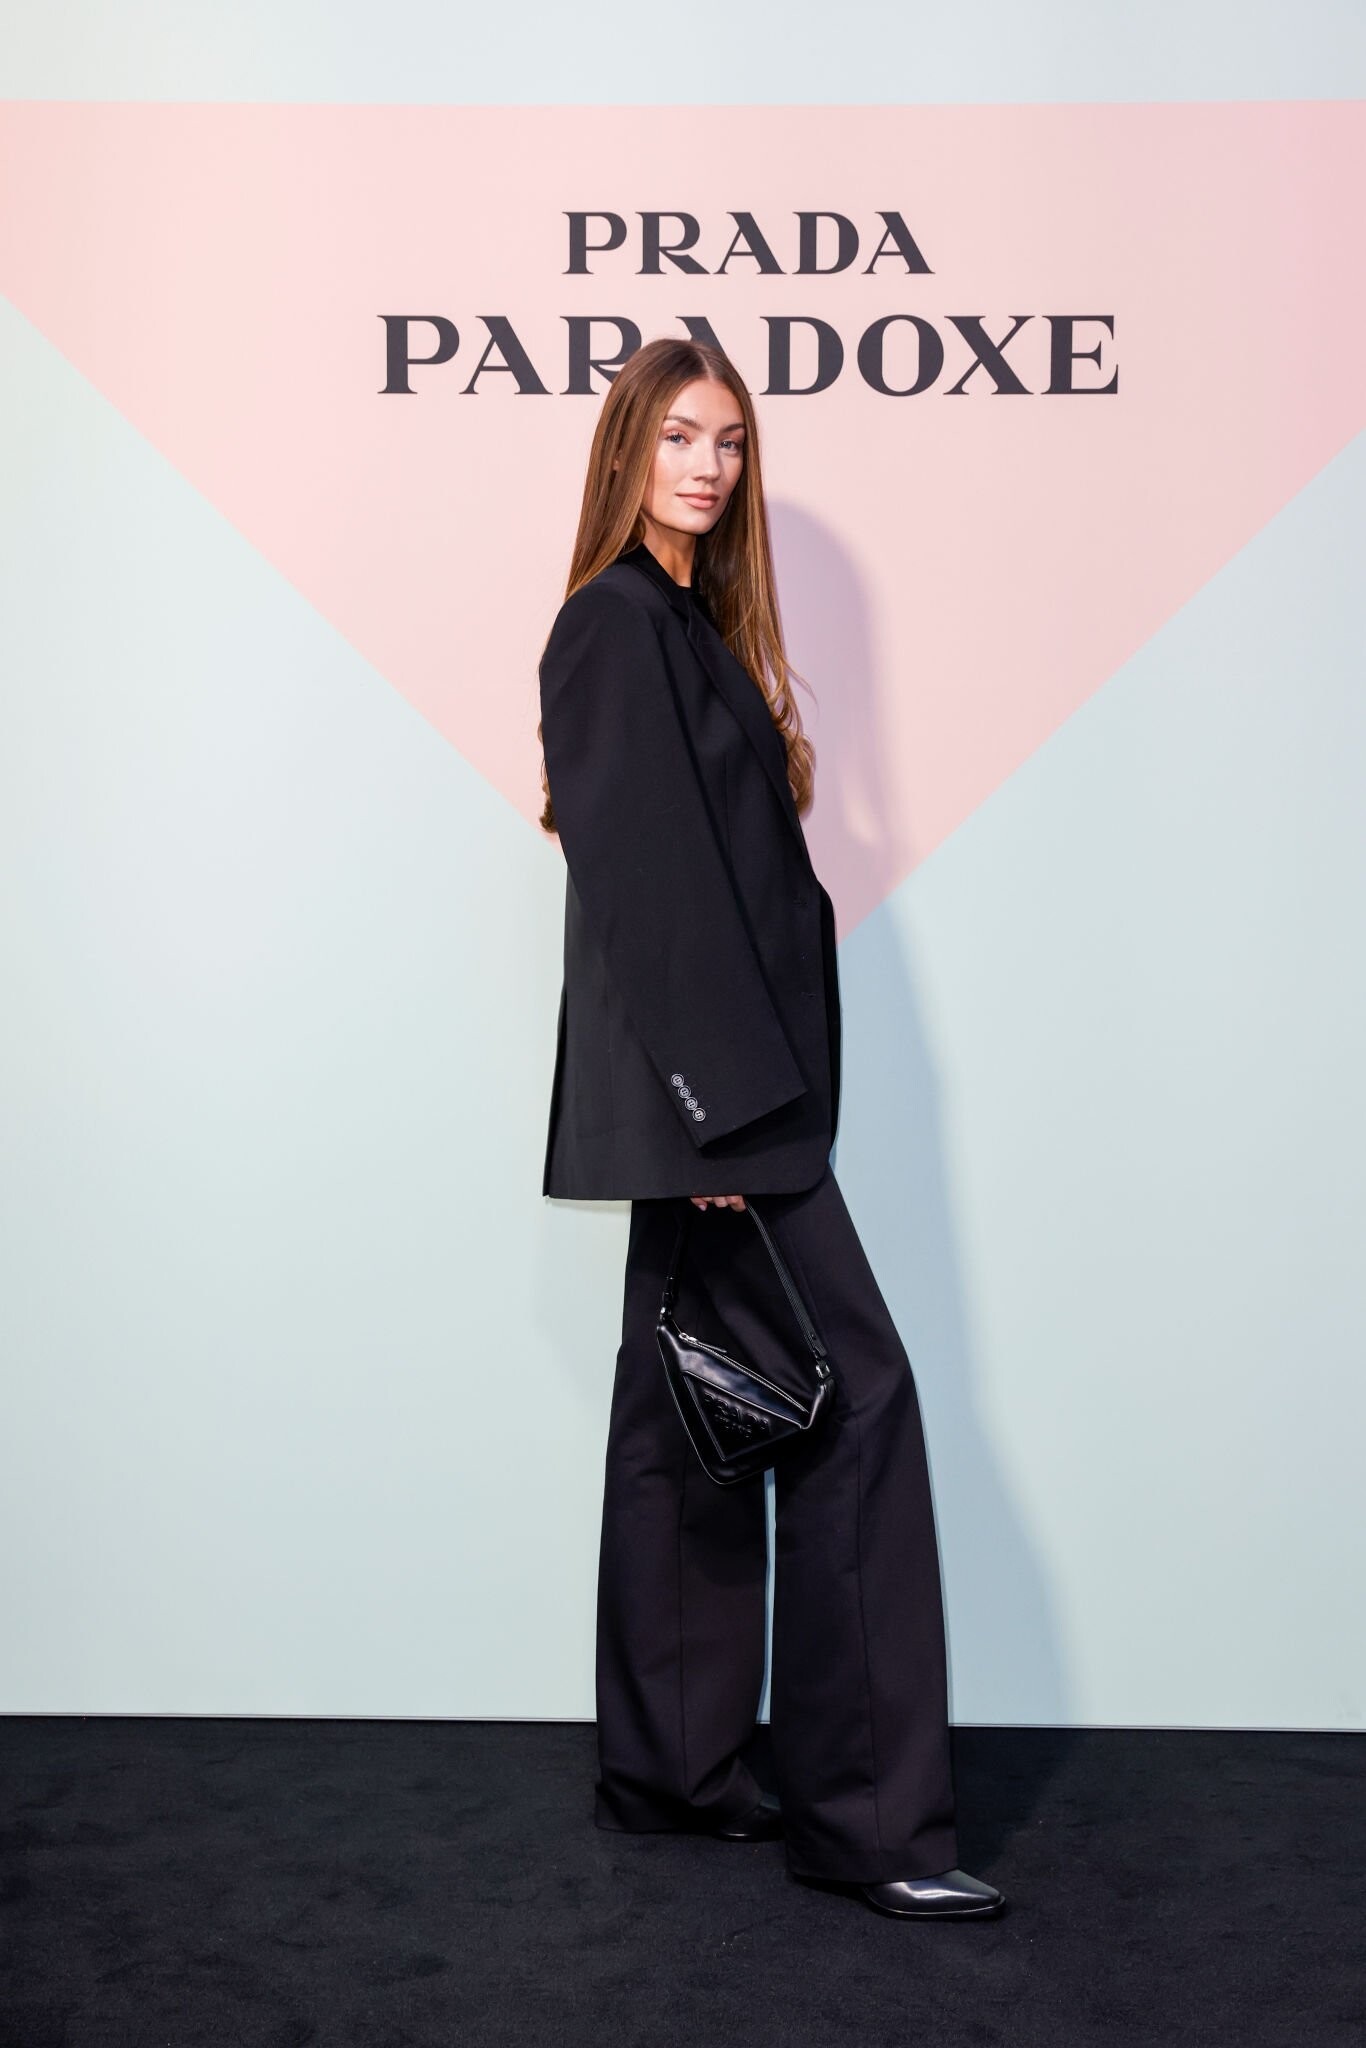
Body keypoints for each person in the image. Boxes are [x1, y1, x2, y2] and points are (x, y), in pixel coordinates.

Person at [535, 336, 1006, 1921]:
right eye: (678, 436)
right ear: (624, 452)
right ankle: (874, 1826)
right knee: (855, 1404)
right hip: (724, 1107)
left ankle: (668, 1770)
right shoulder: (610, 625)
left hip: (730, 1097)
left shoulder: (685, 623)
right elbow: (646, 890)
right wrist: (728, 1122)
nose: (707, 466)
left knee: (684, 1417)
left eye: (728, 441)